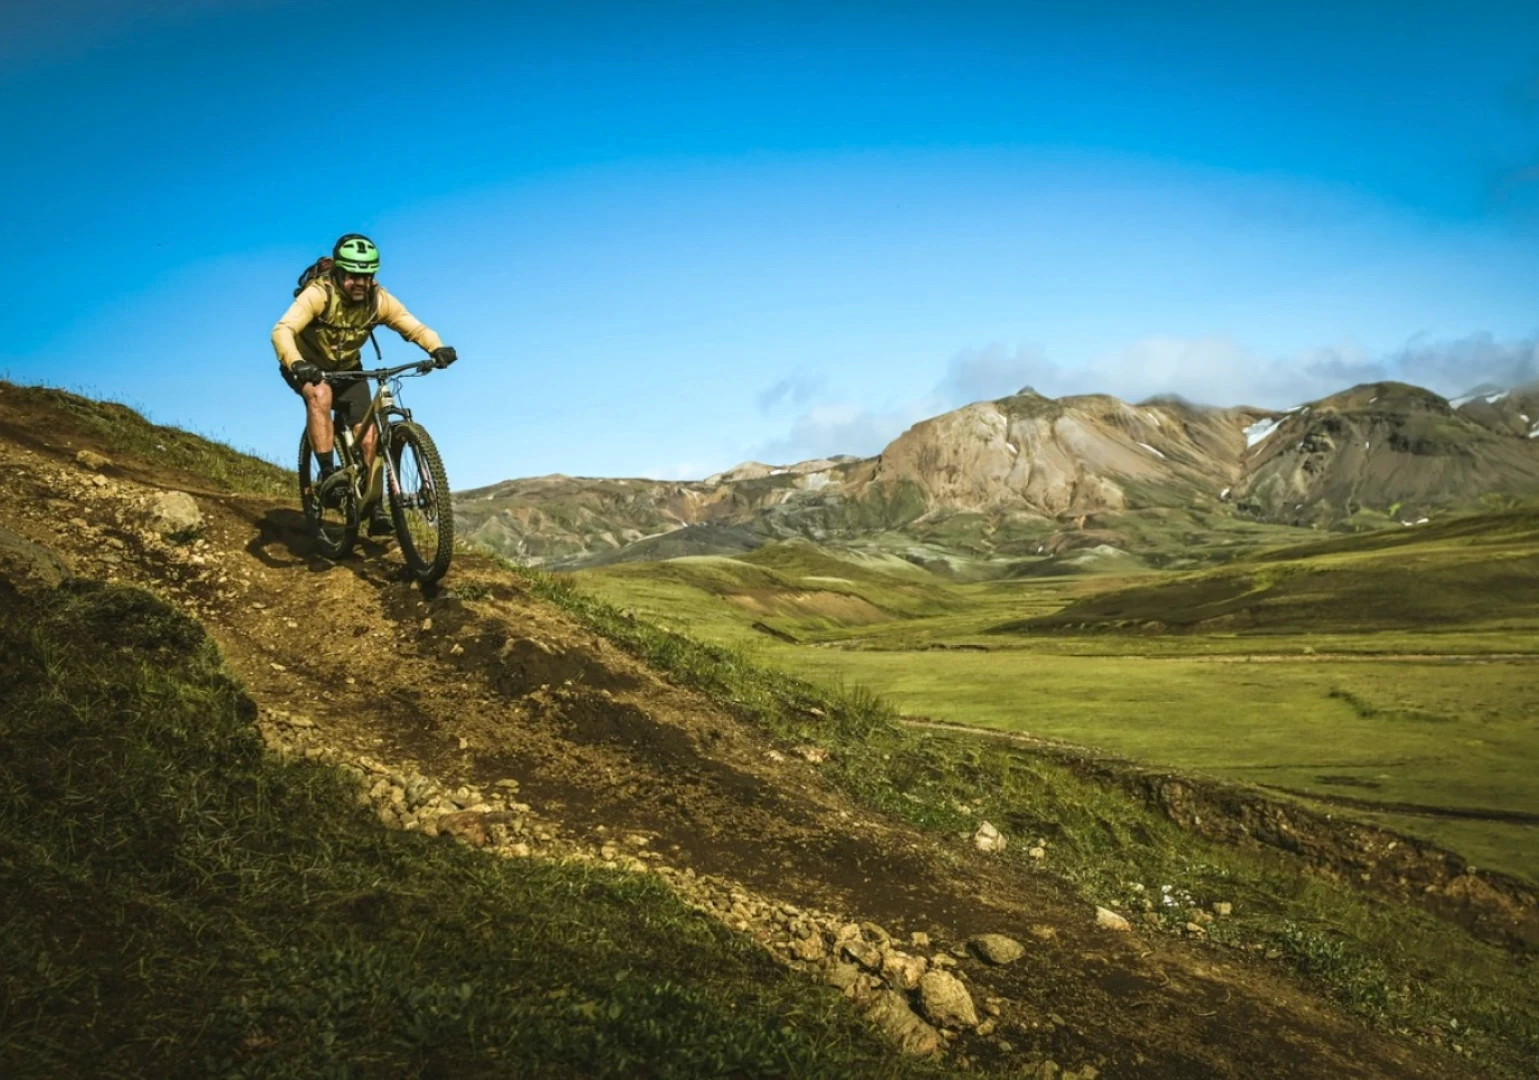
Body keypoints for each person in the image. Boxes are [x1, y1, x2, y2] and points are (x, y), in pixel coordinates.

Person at [272, 234, 456, 535]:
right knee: (320, 394)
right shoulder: (319, 294)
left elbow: (412, 325)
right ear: (339, 271)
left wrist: (437, 347)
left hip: (348, 369)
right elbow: (282, 330)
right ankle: (328, 474)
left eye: (367, 276)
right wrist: (296, 363)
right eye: (353, 276)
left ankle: (376, 508)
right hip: (306, 365)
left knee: (369, 437)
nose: (360, 283)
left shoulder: (378, 299)